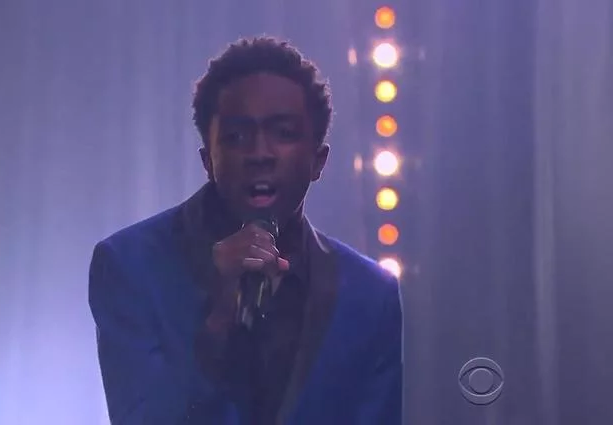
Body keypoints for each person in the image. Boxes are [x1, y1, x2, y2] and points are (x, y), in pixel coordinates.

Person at [88, 36, 403, 425]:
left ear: (318, 161)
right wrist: (219, 318)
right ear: (208, 159)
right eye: (236, 137)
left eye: (283, 133)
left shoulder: (370, 294)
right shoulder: (131, 266)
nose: (259, 154)